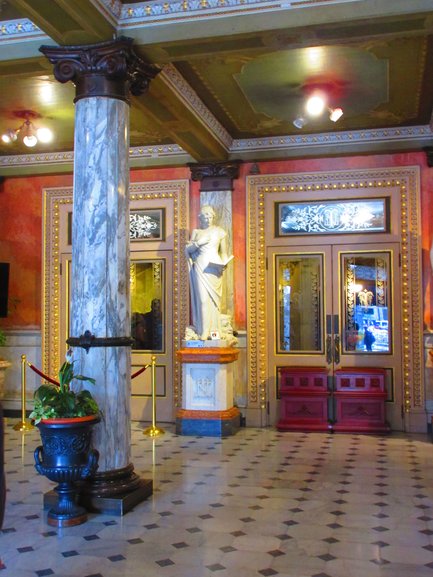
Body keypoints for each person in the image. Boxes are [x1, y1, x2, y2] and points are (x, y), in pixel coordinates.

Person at [185, 206, 232, 340]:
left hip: (214, 268)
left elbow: (223, 252)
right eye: (205, 217)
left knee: (215, 302)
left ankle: (214, 330)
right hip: (200, 267)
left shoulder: (220, 232)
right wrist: (199, 243)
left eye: (210, 217)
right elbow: (188, 250)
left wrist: (223, 264)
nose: (208, 219)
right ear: (200, 218)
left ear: (213, 217)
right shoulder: (197, 232)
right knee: (202, 299)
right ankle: (204, 330)